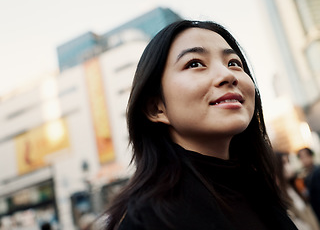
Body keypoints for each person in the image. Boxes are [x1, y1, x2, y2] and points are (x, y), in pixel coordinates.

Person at [103, 20, 298, 230]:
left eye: (233, 63)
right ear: (156, 108)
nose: (228, 75)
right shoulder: (147, 219)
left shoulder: (258, 188)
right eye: (195, 63)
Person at [275, 151, 320, 230]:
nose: (288, 166)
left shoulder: (294, 187)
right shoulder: (281, 196)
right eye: (284, 163)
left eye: (288, 162)